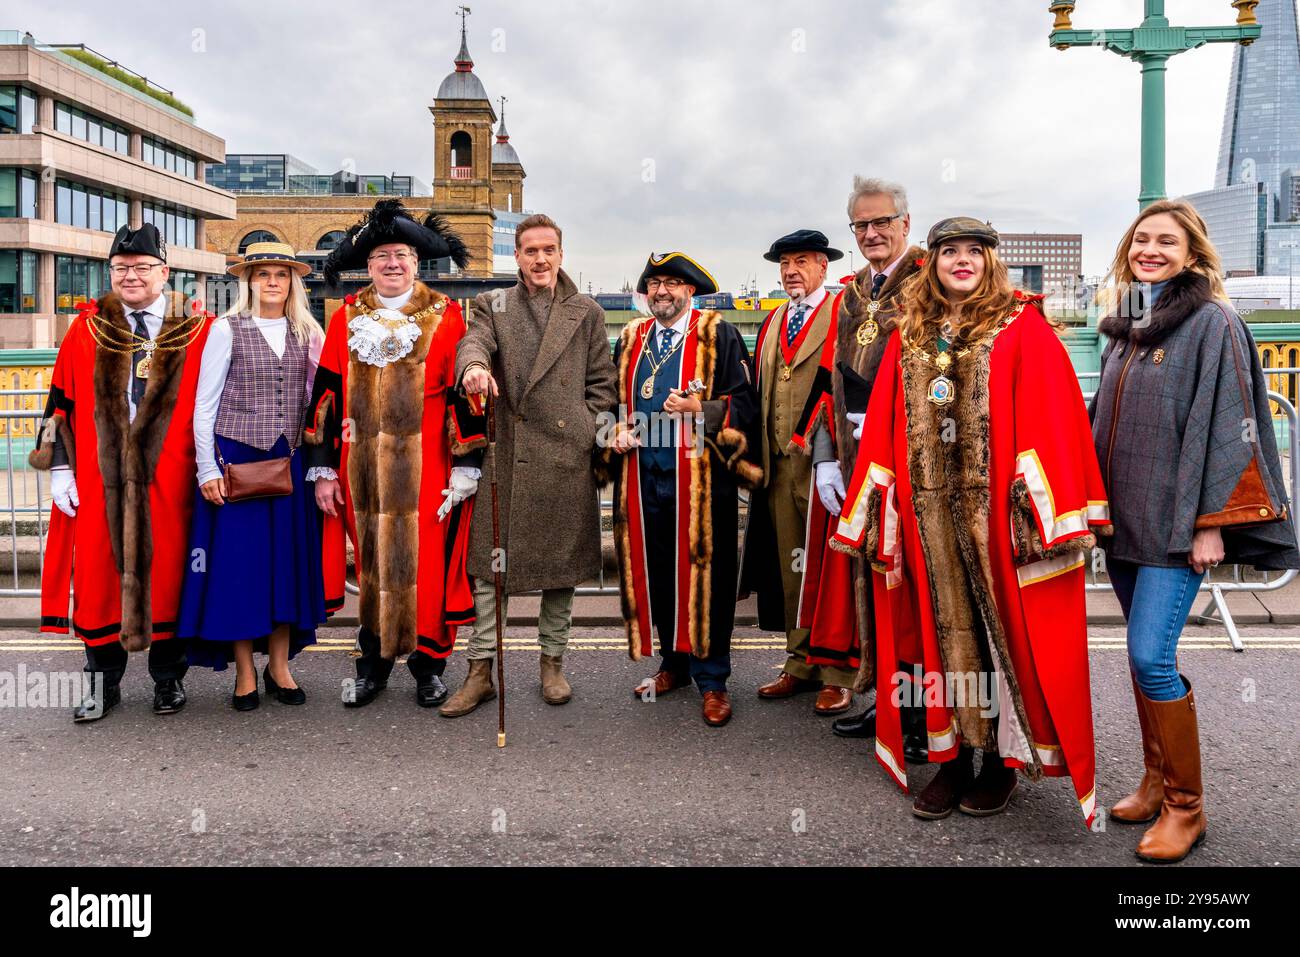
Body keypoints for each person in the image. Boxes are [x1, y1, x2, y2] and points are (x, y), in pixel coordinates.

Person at [832, 217, 1107, 826]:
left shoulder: (1021, 327)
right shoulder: (913, 335)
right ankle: (954, 756)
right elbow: (884, 422)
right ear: (932, 263)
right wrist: (880, 499)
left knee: (998, 631)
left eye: (973, 252)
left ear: (990, 261)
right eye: (948, 252)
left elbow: (1051, 415)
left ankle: (1000, 765)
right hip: (929, 516)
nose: (961, 261)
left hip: (996, 519)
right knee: (939, 638)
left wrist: (1032, 508)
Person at [1091, 199, 1299, 862]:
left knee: (1152, 656)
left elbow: (1233, 424)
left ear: (1192, 253)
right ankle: (1155, 781)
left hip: (1177, 526)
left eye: (1167, 242)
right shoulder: (1128, 323)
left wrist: (1213, 524)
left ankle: (1188, 806)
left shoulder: (1214, 321)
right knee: (1141, 655)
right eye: (1142, 239)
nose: (1151, 250)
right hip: (1123, 519)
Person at [30, 223, 212, 721]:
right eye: (121, 268)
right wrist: (59, 468)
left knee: (170, 572)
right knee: (98, 577)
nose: (131, 276)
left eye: (142, 267)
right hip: (98, 475)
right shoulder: (85, 329)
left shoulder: (196, 329)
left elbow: (220, 404)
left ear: (165, 272)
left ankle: (168, 681)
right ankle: (101, 683)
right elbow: (57, 404)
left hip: (172, 477)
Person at [306, 200, 477, 709]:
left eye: (400, 255)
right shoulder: (346, 318)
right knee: (375, 568)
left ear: (417, 262)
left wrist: (467, 464)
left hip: (428, 468)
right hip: (361, 469)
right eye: (382, 256)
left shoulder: (445, 316)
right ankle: (373, 664)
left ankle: (429, 666)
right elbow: (326, 393)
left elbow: (461, 394)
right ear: (369, 265)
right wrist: (322, 467)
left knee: (425, 568)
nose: (392, 264)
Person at [446, 214, 617, 717]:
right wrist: (474, 367)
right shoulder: (492, 303)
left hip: (565, 458)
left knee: (561, 571)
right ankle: (480, 672)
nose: (540, 259)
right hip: (509, 456)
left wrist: (585, 431)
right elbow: (472, 342)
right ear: (516, 257)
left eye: (548, 250)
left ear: (561, 254)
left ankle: (552, 664)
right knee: (488, 571)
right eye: (530, 251)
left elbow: (602, 384)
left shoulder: (586, 311)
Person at [787, 177, 927, 752]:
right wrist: (825, 459)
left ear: (905, 225)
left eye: (882, 223)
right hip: (853, 455)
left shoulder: (931, 284)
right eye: (861, 226)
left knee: (913, 586)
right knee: (873, 578)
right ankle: (887, 702)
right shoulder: (850, 296)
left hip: (913, 458)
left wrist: (896, 420)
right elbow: (828, 381)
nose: (871, 234)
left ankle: (923, 716)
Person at [601, 252, 761, 727]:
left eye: (671, 284)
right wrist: (613, 430)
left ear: (690, 291)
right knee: (660, 572)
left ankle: (713, 679)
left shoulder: (719, 334)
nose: (661, 292)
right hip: (644, 477)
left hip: (702, 481)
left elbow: (747, 403)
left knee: (705, 579)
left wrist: (701, 408)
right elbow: (610, 399)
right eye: (653, 284)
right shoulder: (631, 338)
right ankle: (673, 663)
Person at [177, 243, 327, 710]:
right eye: (262, 274)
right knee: (239, 570)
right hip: (237, 458)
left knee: (285, 567)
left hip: (291, 461)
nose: (272, 282)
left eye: (280, 274)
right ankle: (244, 672)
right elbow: (205, 405)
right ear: (248, 281)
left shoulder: (308, 330)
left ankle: (279, 667)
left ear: (292, 281)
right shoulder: (226, 329)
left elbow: (321, 398)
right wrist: (207, 468)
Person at [740, 229, 858, 715]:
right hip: (777, 465)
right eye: (785, 263)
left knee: (834, 571)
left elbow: (847, 386)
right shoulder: (771, 323)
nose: (792, 271)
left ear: (823, 267)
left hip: (824, 464)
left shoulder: (844, 316)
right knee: (793, 568)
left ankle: (838, 672)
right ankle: (799, 661)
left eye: (803, 261)